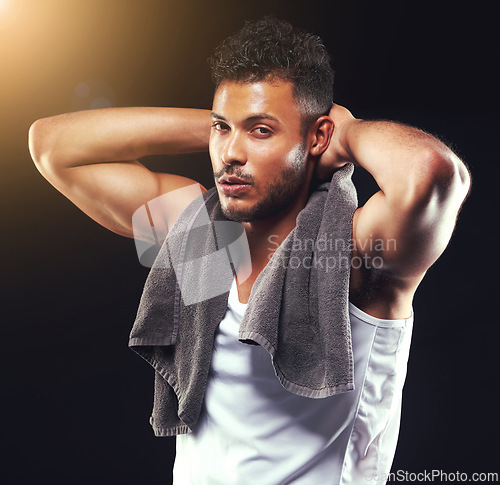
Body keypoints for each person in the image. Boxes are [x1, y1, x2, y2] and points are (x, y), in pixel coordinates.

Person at [29, 16, 470, 485]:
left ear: (316, 138)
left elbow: (432, 171)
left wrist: (345, 132)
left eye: (261, 131)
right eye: (223, 130)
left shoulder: (353, 252)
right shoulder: (204, 242)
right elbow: (53, 145)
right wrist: (234, 126)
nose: (230, 154)